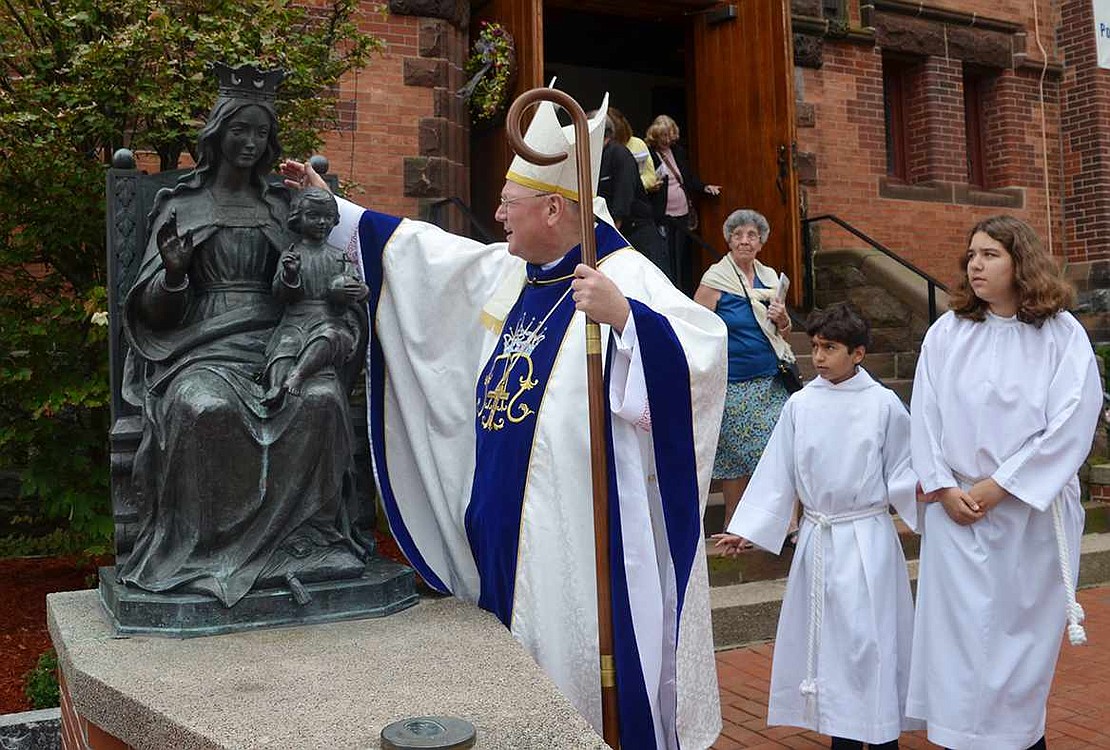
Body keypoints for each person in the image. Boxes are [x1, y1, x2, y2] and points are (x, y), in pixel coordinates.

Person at [281, 90, 727, 750]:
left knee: (576, 683)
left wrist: (630, 320)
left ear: (554, 207)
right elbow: (423, 255)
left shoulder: (622, 274)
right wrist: (335, 211)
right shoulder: (516, 271)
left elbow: (704, 355)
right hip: (503, 534)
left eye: (508, 206)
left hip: (576, 541)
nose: (495, 216)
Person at [119, 64, 368, 606]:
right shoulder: (181, 206)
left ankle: (308, 544)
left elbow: (326, 271)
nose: (251, 142)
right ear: (218, 133)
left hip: (279, 336)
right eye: (240, 130)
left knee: (321, 398)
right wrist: (177, 274)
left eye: (261, 132)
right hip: (201, 342)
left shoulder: (286, 207)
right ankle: (205, 553)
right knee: (204, 407)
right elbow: (151, 315)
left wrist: (338, 301)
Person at [908, 215, 1102, 750]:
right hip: (957, 514)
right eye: (971, 254)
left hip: (1028, 517)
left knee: (1017, 649)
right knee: (959, 648)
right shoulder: (948, 332)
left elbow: (1073, 422)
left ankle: (1020, 740)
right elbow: (923, 415)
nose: (975, 264)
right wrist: (943, 486)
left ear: (1022, 263)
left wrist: (1004, 485)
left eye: (990, 254)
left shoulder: (1061, 335)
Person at [713, 302, 922, 749]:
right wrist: (748, 529)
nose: (820, 357)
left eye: (831, 348)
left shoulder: (884, 405)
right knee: (830, 645)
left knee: (872, 641)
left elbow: (904, 472)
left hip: (867, 539)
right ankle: (843, 737)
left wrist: (937, 497)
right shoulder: (801, 405)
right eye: (815, 347)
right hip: (820, 540)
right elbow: (777, 473)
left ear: (859, 353)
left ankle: (882, 734)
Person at [694, 209, 795, 530]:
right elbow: (696, 325)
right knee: (736, 459)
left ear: (761, 242)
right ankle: (734, 527)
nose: (744, 241)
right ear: (729, 240)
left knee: (781, 451)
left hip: (770, 380)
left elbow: (784, 330)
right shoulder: (716, 279)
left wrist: (781, 318)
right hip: (734, 382)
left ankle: (783, 525)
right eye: (738, 235)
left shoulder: (770, 279)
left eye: (751, 235)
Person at [261, 187, 368, 407]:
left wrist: (360, 291)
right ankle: (276, 386)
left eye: (328, 217)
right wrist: (290, 274)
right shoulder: (291, 255)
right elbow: (280, 294)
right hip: (296, 320)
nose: (322, 222)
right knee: (285, 346)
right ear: (297, 218)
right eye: (313, 216)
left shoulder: (340, 257)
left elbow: (358, 285)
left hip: (330, 319)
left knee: (328, 337)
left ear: (335, 221)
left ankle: (297, 375)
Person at [645, 114, 721, 294]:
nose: (666, 140)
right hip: (663, 214)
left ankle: (682, 289)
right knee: (666, 255)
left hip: (682, 211)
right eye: (662, 136)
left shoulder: (677, 151)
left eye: (669, 135)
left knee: (681, 255)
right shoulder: (649, 153)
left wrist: (704, 187)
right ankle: (669, 291)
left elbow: (687, 177)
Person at [597, 111, 666, 273]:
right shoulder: (598, 156)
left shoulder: (619, 154)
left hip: (635, 233)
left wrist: (611, 239)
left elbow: (623, 197)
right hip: (615, 232)